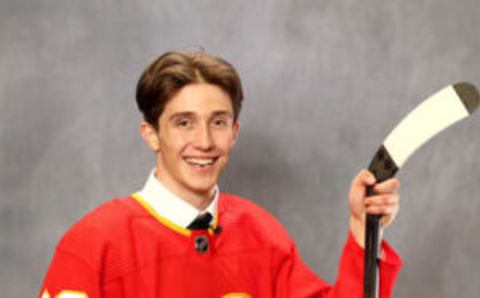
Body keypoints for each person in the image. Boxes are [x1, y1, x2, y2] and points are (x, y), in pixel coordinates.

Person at [39, 51, 402, 298]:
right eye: (184, 123)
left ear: (235, 132)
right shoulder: (93, 245)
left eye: (218, 122)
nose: (205, 142)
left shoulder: (262, 235)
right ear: (151, 134)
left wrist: (362, 231)